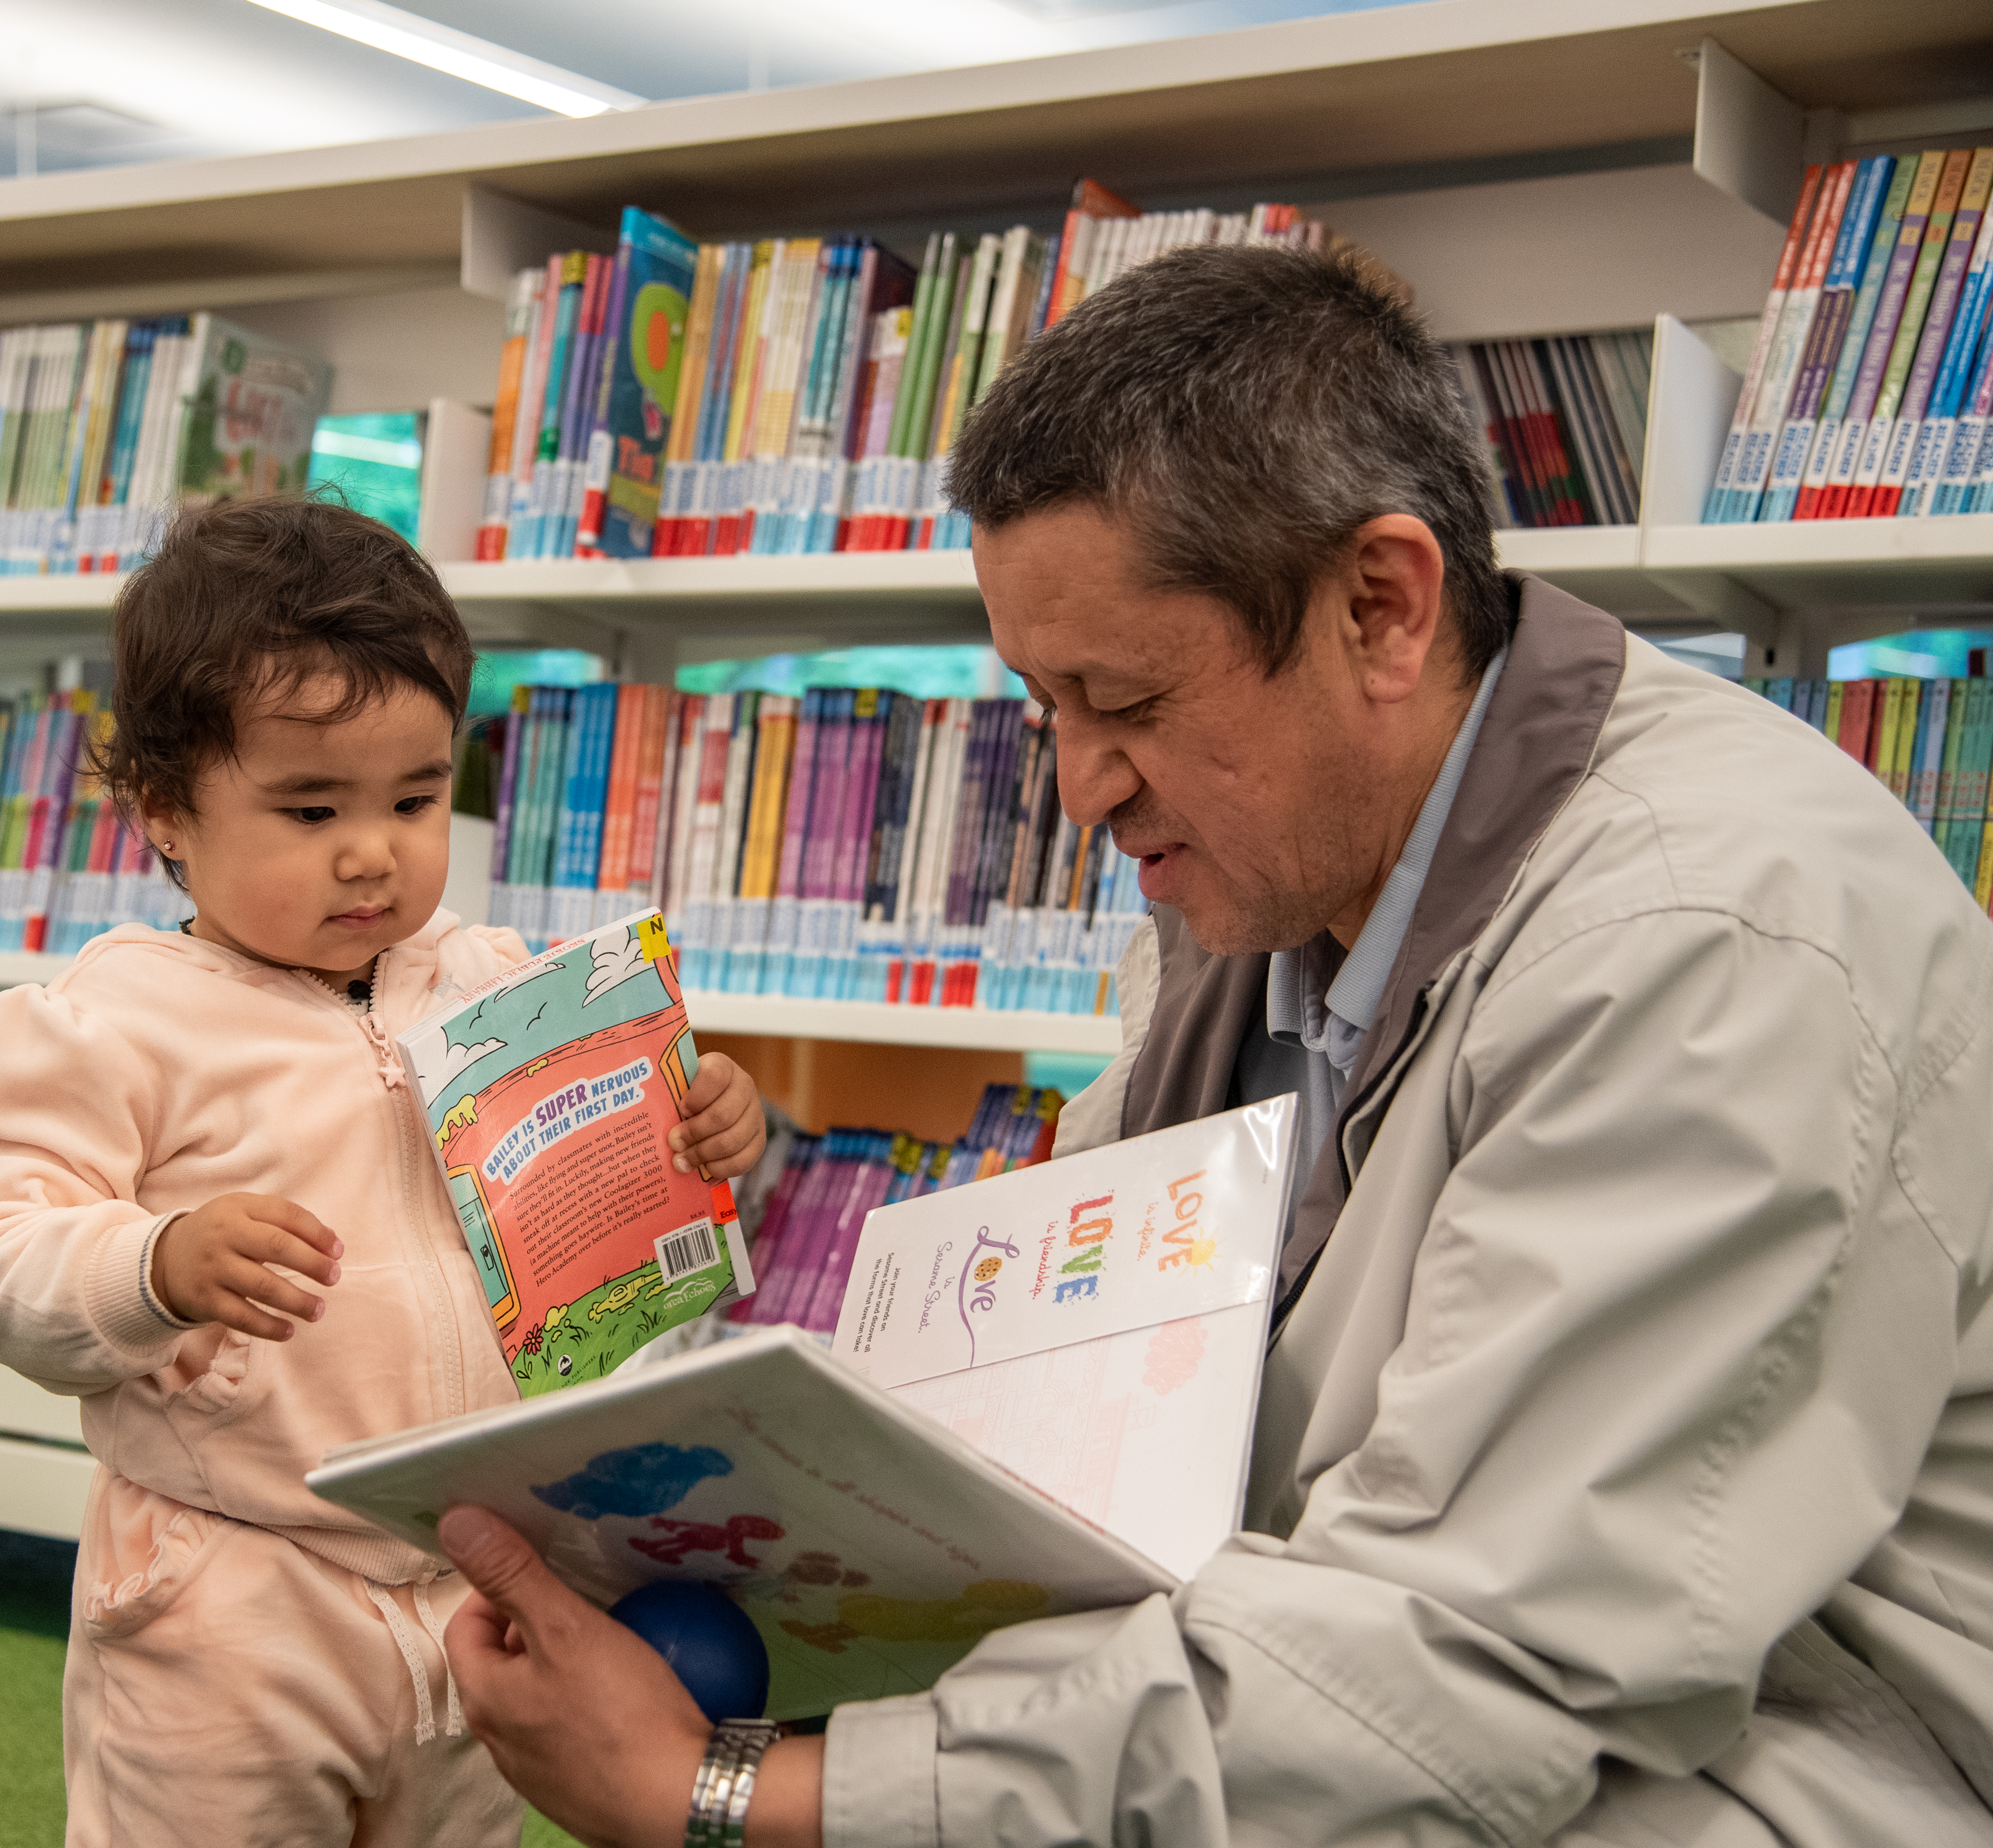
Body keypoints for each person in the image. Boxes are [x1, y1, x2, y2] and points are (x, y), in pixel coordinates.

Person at [441, 244, 1993, 1848]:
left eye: (1122, 697)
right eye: (1046, 702)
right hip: (1374, 1719)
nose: (1082, 785)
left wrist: (731, 1797)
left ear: (1381, 607)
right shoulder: (1266, 898)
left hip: (1782, 1771)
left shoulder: (1713, 939)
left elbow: (1477, 1662)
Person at [0, 497, 768, 1848]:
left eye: (414, 797)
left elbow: (618, 1198)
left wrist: (713, 1128)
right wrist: (151, 1262)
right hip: (234, 1600)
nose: (373, 848)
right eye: (309, 806)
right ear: (162, 810)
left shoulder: (499, 986)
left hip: (475, 1583)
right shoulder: (110, 1021)